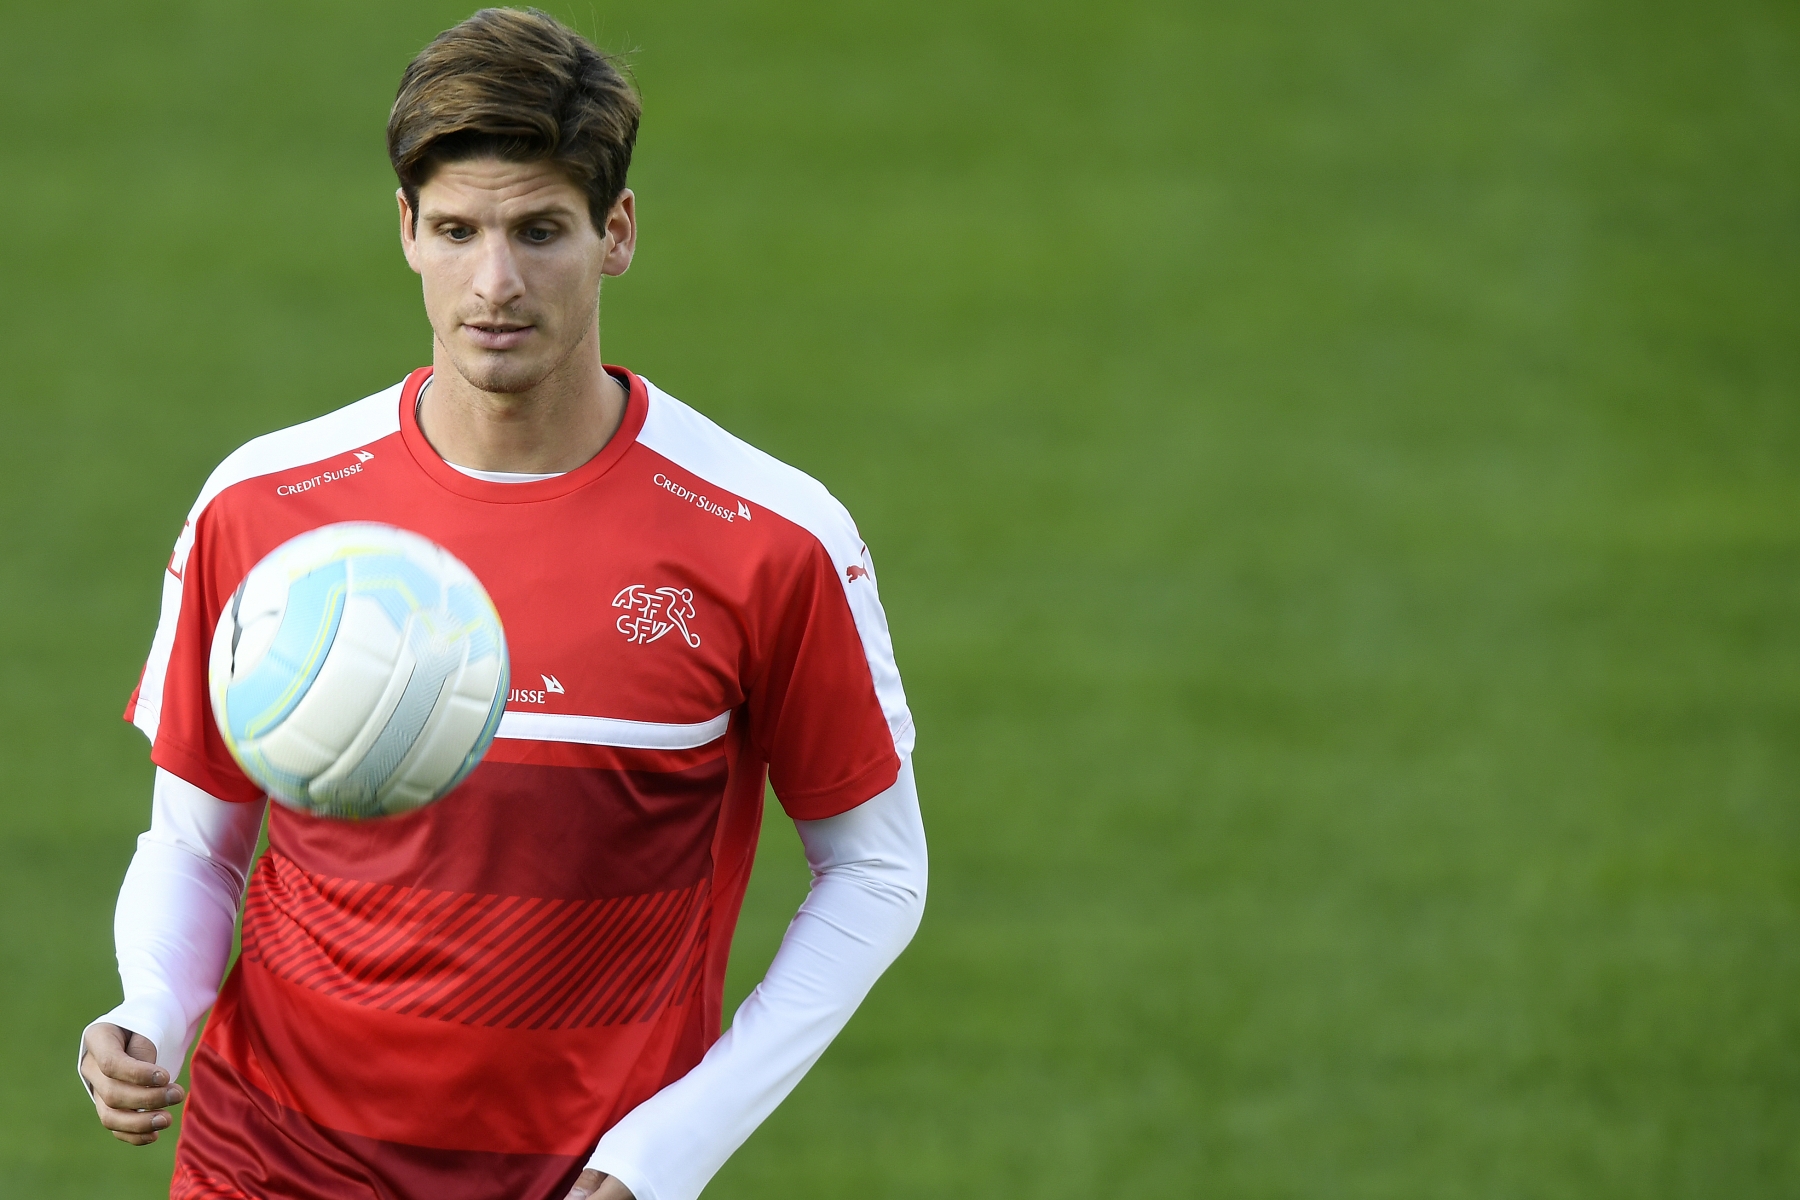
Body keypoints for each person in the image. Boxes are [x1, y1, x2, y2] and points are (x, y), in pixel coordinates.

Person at [76, 9, 927, 1199]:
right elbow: (197, 842)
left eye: (540, 232)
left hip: (578, 1177)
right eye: (459, 230)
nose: (496, 284)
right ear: (407, 232)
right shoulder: (263, 507)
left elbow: (877, 873)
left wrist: (670, 1148)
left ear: (615, 233)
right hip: (269, 1158)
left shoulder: (771, 541)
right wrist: (154, 1010)